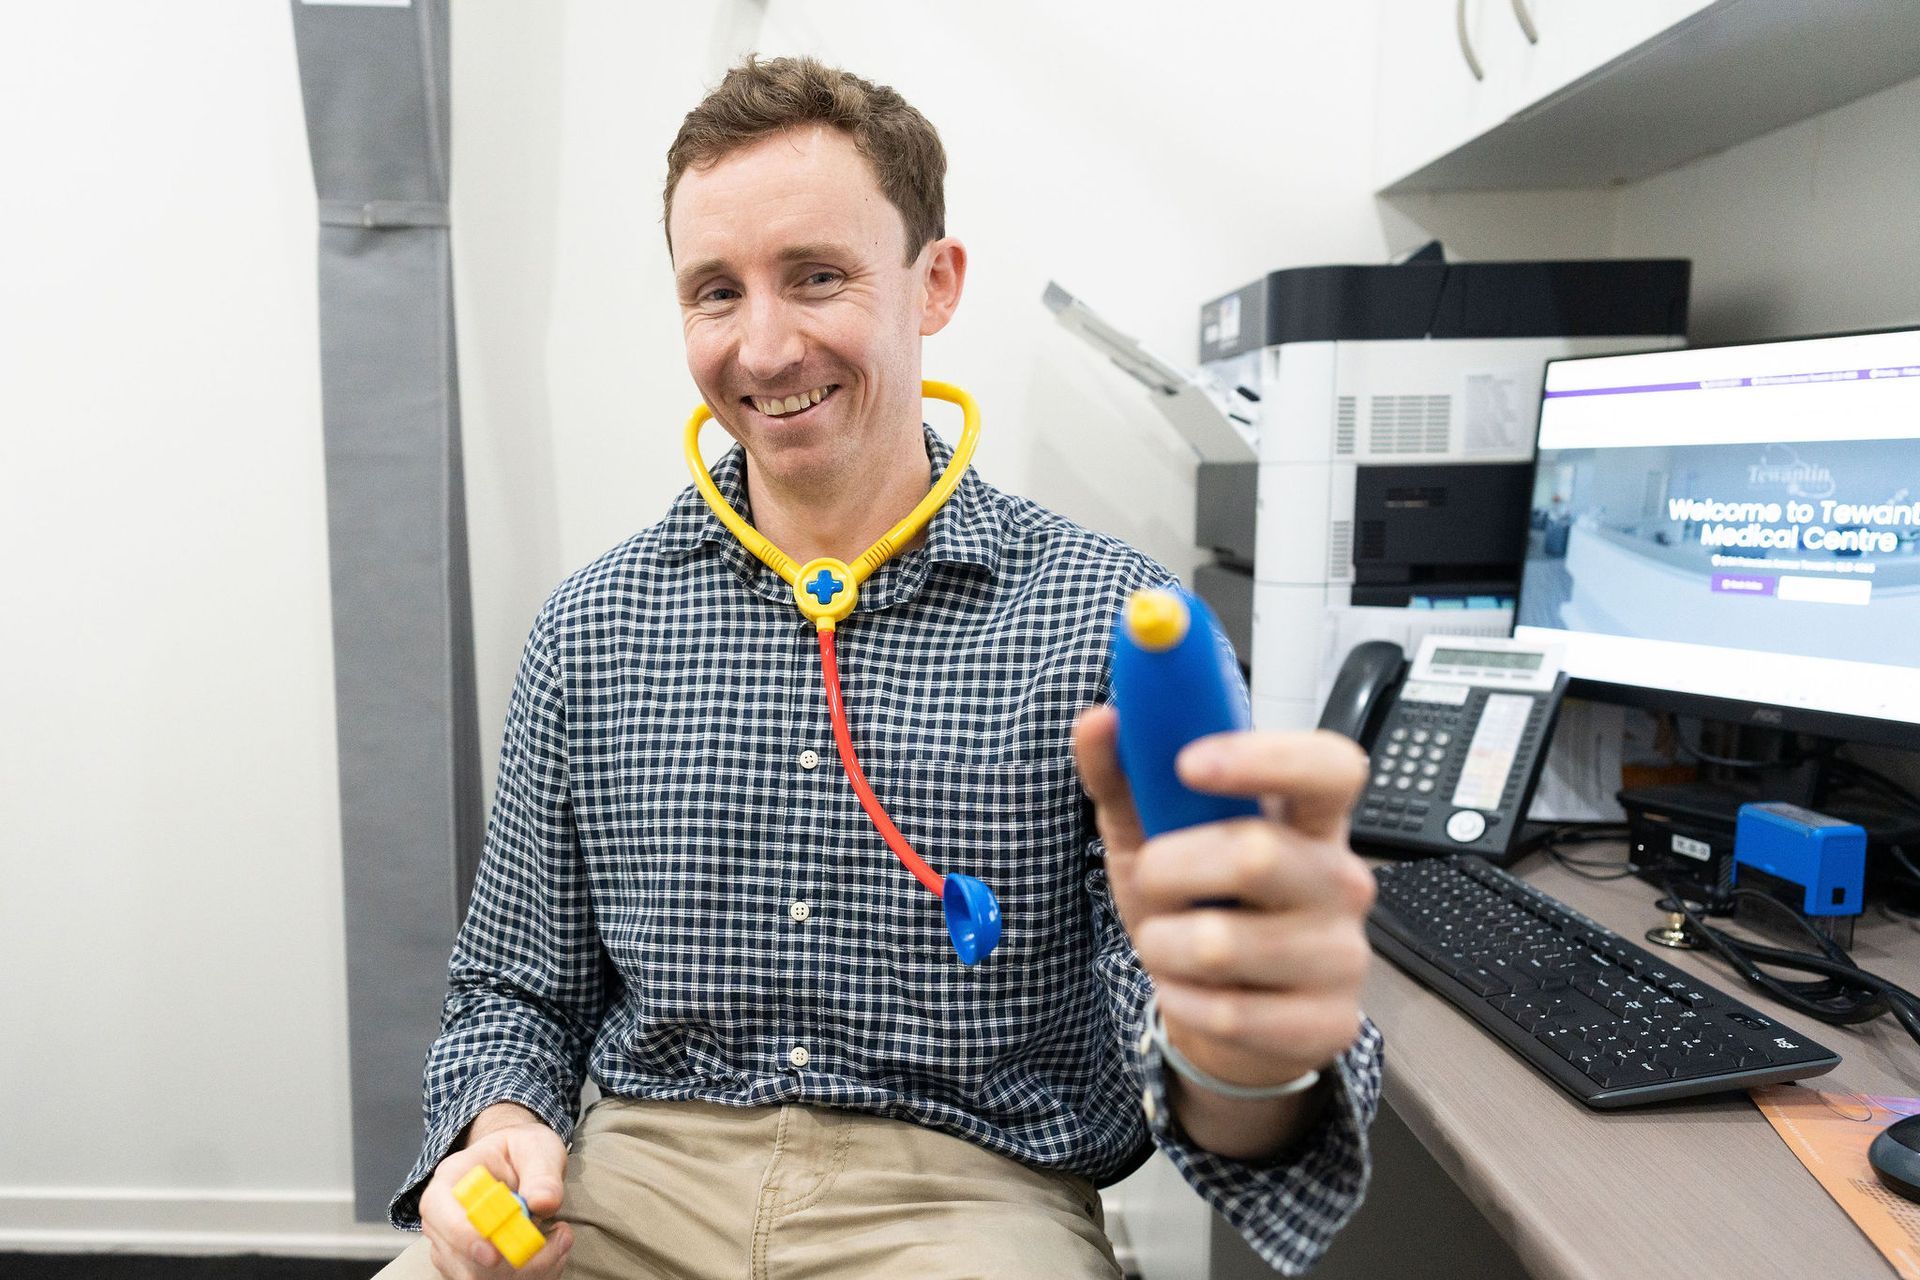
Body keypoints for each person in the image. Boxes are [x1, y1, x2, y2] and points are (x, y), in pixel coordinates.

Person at [378, 55, 1383, 1280]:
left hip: (970, 1199)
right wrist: (500, 1125)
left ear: (936, 282)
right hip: (626, 1184)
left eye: (817, 276)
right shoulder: (591, 627)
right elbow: (512, 987)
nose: (763, 344)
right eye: (714, 292)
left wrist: (1247, 1055)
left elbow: (1203, 1045)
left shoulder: (1118, 626)